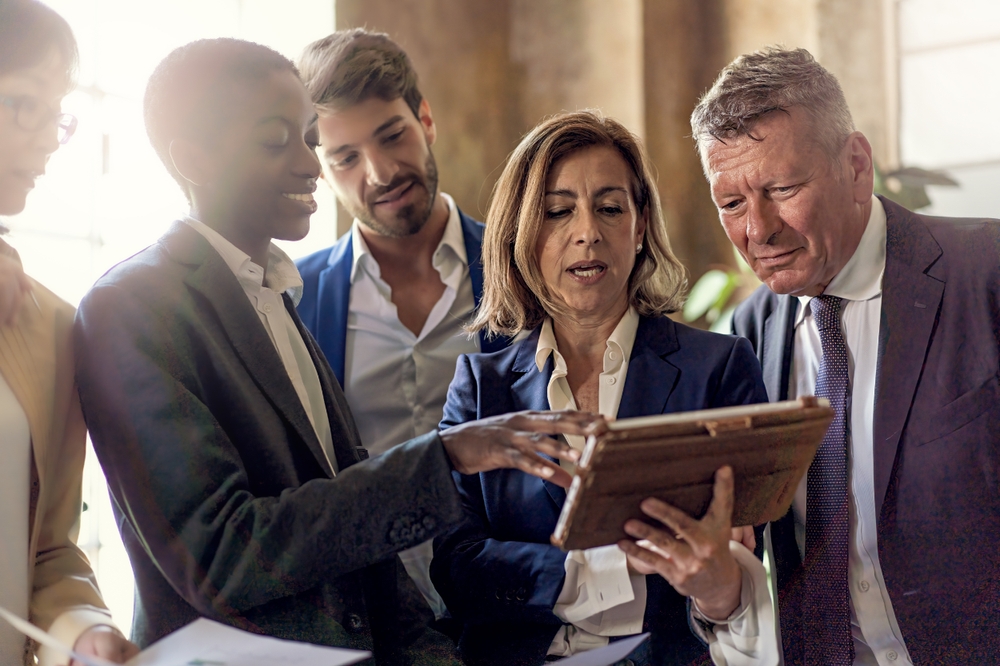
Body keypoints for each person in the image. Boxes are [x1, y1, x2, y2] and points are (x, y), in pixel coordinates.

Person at [73, 38, 601, 663]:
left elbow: (365, 560)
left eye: (306, 138)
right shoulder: (132, 307)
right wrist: (445, 455)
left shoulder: (275, 294)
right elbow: (221, 556)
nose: (310, 166)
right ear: (193, 159)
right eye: (278, 142)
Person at [688, 47, 1000, 664]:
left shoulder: (986, 276)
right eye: (731, 204)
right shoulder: (743, 337)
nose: (758, 229)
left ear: (856, 166)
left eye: (781, 188)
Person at [430, 110, 772, 666]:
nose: (587, 231)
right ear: (522, 234)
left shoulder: (719, 368)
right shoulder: (479, 389)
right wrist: (616, 566)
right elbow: (457, 568)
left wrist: (717, 583)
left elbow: (743, 568)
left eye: (610, 208)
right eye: (558, 212)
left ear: (639, 227)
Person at [293, 29, 509, 642]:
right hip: (373, 627)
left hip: (513, 614)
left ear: (426, 120)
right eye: (346, 158)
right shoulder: (295, 301)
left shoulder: (520, 265)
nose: (382, 172)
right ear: (322, 169)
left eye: (392, 136)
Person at [0, 1, 138, 664]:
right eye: (23, 103)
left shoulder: (50, 326)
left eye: (56, 111)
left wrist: (85, 634)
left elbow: (49, 552)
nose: (50, 136)